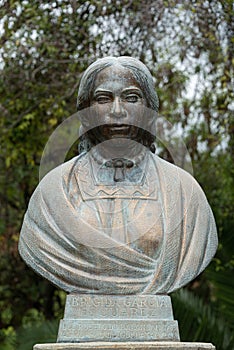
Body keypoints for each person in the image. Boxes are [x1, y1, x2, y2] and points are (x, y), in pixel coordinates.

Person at [19, 57, 218, 294]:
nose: (117, 110)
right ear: (85, 113)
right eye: (103, 99)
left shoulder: (185, 193)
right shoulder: (53, 192)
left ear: (149, 112)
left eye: (131, 98)